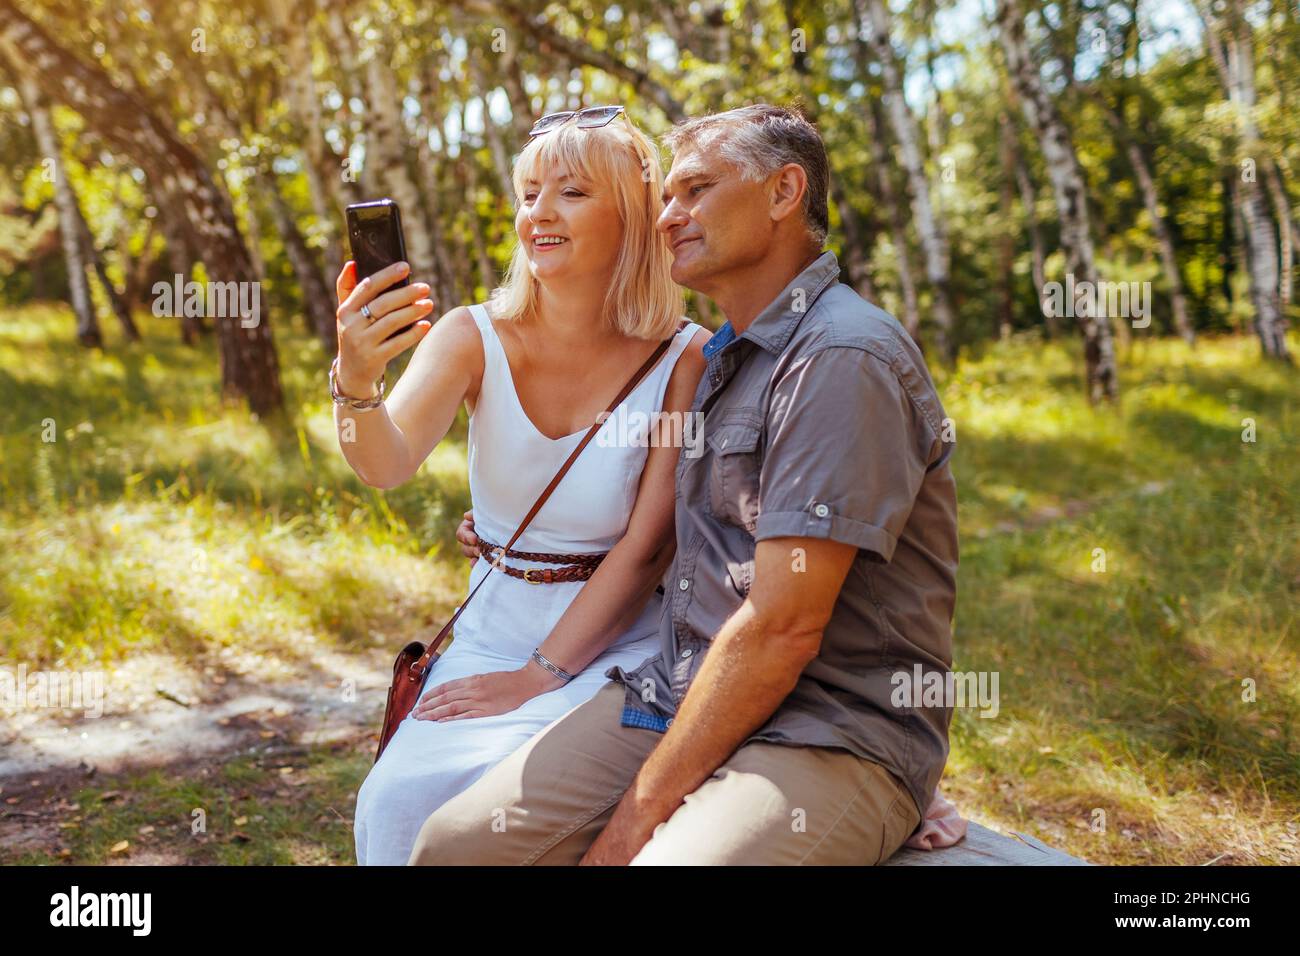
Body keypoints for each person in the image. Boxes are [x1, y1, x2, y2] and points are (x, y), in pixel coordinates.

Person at [409, 104, 959, 866]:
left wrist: (631, 827)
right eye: (665, 196)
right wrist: (508, 536)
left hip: (827, 729)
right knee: (454, 848)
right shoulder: (724, 357)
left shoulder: (838, 357)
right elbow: (662, 534)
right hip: (677, 694)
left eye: (695, 190)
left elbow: (782, 629)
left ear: (782, 192)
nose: (668, 216)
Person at [333, 105, 708, 865]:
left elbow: (645, 551)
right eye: (529, 192)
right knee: (395, 803)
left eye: (570, 192)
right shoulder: (470, 335)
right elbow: (384, 464)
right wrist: (357, 380)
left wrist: (536, 678)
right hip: (491, 630)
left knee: (513, 815)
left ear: (634, 213)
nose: (539, 212)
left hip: (616, 645)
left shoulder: (686, 357)